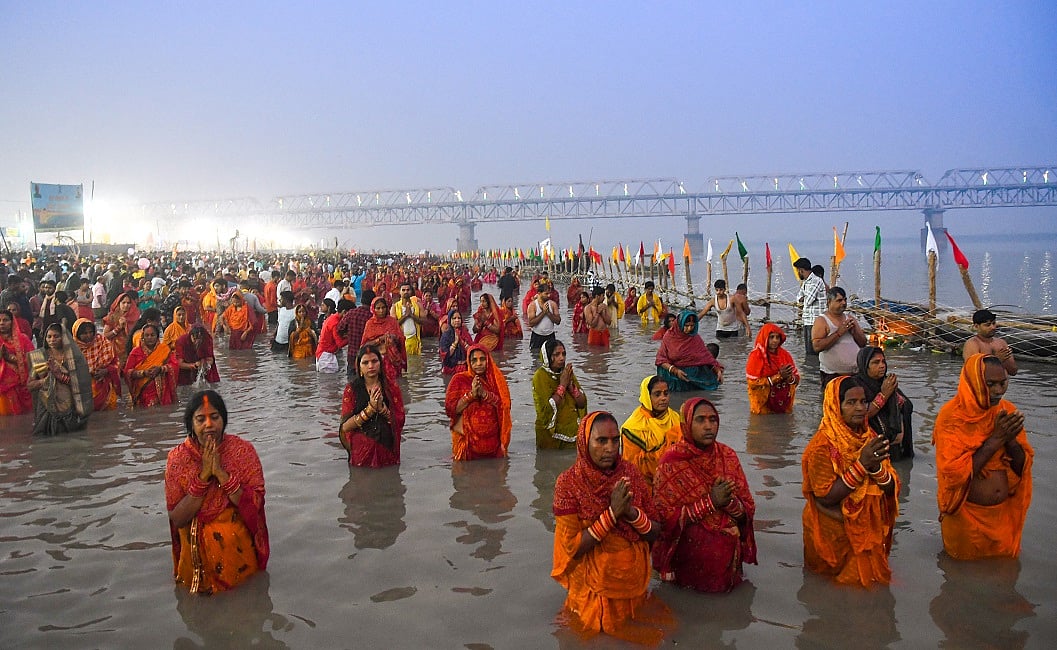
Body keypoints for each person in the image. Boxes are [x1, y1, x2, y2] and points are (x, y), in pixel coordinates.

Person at [551, 411, 668, 645]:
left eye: (615, 440)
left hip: (633, 587)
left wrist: (631, 513)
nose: (610, 448)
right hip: (593, 592)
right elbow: (572, 548)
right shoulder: (569, 483)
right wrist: (613, 514)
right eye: (601, 441)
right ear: (585, 443)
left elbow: (656, 531)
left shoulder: (630, 474)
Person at [165, 390, 269, 595]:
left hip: (239, 561)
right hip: (194, 563)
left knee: (245, 607)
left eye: (214, 417)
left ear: (224, 419)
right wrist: (203, 476)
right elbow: (177, 518)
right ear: (191, 424)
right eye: (200, 419)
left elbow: (255, 505)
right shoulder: (177, 459)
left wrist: (221, 474)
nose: (209, 425)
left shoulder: (243, 451)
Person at [932, 354, 1033, 560]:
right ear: (974, 381)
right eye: (990, 384)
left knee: (1004, 579)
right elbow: (954, 475)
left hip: (1002, 517)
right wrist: (996, 439)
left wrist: (1010, 440)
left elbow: (1022, 466)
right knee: (960, 582)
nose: (998, 391)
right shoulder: (951, 417)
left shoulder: (1006, 411)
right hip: (965, 519)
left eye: (1002, 383)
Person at [652, 397, 757, 592]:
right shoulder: (671, 462)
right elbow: (663, 521)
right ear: (687, 424)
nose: (708, 426)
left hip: (727, 552)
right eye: (700, 420)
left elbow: (748, 510)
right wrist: (711, 502)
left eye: (713, 419)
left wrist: (729, 501)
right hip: (688, 553)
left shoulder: (728, 456)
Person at [802, 377, 898, 587]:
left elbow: (890, 486)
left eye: (863, 401)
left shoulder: (870, 436)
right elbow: (825, 497)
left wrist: (874, 468)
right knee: (829, 594)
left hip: (866, 532)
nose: (860, 408)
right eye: (851, 402)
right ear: (836, 406)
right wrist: (862, 465)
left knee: (870, 600)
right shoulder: (821, 447)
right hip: (833, 535)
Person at [338, 345, 407, 467]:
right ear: (359, 367)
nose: (370, 366)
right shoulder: (351, 390)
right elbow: (345, 427)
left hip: (387, 450)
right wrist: (370, 410)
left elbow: (399, 421)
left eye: (374, 361)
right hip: (361, 453)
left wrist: (383, 410)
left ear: (380, 364)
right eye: (365, 362)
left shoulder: (391, 388)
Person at [445, 345, 511, 461]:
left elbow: (504, 407)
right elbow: (451, 410)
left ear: (488, 360)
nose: (479, 363)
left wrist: (485, 395)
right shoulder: (459, 380)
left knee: (497, 478)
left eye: (482, 359)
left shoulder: (496, 381)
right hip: (467, 447)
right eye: (474, 360)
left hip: (494, 448)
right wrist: (472, 395)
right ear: (469, 362)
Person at [26, 323, 92, 435]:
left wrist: (60, 376)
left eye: (56, 336)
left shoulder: (74, 358)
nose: (52, 340)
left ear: (64, 338)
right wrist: (47, 380)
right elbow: (30, 385)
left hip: (70, 407)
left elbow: (82, 385)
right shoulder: (39, 357)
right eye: (49, 336)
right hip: (46, 408)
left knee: (72, 438)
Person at [620, 376, 683, 492]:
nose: (663, 398)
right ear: (647, 396)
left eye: (666, 393)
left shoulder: (675, 418)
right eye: (657, 394)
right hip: (645, 487)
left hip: (674, 481)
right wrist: (668, 443)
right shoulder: (632, 427)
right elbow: (633, 467)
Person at [855, 346, 914, 460]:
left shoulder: (886, 382)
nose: (882, 365)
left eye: (883, 361)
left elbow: (908, 406)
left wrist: (899, 401)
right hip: (872, 449)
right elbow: (862, 414)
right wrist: (884, 395)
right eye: (876, 362)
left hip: (895, 447)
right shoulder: (856, 386)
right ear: (865, 365)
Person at [532, 339, 587, 449]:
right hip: (551, 437)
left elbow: (582, 404)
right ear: (548, 357)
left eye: (564, 354)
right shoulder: (540, 377)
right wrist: (562, 385)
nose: (562, 358)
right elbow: (546, 410)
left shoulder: (566, 373)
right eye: (557, 354)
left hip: (573, 433)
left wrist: (570, 385)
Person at [811, 287, 866, 389]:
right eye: (839, 300)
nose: (844, 303)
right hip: (832, 375)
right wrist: (839, 333)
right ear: (829, 302)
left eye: (845, 299)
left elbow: (863, 343)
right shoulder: (822, 320)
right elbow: (817, 347)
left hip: (855, 375)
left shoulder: (850, 318)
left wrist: (854, 333)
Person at [655, 310, 723, 391]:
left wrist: (717, 371)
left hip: (693, 379)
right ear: (680, 324)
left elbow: (706, 358)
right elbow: (661, 359)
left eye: (692, 325)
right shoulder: (669, 337)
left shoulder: (695, 338)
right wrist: (675, 371)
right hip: (675, 379)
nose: (690, 329)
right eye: (686, 326)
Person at [745, 323, 800, 414]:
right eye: (771, 337)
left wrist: (789, 378)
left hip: (784, 403)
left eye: (777, 337)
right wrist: (778, 377)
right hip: (762, 405)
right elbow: (752, 383)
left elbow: (796, 379)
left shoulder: (785, 355)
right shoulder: (756, 356)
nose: (775, 340)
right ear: (765, 338)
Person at [72, 318, 122, 411]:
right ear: (77, 334)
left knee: (110, 415)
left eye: (91, 332)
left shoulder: (102, 341)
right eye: (84, 333)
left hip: (104, 385)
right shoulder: (72, 349)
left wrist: (106, 370)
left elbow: (116, 362)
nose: (89, 335)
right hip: (83, 390)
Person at [124, 323, 178, 407]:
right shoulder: (135, 352)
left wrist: (161, 369)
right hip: (142, 393)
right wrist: (143, 373)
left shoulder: (164, 349)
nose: (150, 338)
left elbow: (174, 366)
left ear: (157, 336)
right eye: (147, 335)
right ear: (142, 336)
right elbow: (127, 372)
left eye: (152, 335)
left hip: (163, 391)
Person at [962, 309, 1017, 376]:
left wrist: (1004, 360)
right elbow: (972, 372)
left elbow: (1013, 371)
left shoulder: (1001, 343)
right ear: (976, 326)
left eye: (994, 323)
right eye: (988, 325)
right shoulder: (973, 343)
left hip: (999, 384)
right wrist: (996, 360)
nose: (993, 327)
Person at [360, 296, 405, 379]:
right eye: (378, 308)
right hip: (377, 360)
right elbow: (364, 345)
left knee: (395, 385)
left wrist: (394, 338)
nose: (381, 311)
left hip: (393, 360)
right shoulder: (370, 324)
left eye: (383, 307)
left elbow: (401, 339)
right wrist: (381, 339)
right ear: (373, 309)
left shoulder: (392, 321)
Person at [0, 310, 33, 416]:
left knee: (22, 419)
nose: (1, 323)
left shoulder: (23, 339)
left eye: (5, 320)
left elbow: (33, 360)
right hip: (3, 387)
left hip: (22, 385)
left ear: (12, 322)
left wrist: (11, 358)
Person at [795, 257, 827, 358]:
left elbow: (808, 301)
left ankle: (814, 372)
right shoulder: (806, 282)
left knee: (814, 352)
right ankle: (811, 371)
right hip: (807, 320)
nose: (797, 273)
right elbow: (798, 298)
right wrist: (803, 298)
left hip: (815, 321)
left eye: (798, 271)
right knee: (809, 351)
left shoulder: (815, 281)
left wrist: (803, 298)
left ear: (801, 270)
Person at [103, 292, 137, 370]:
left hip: (129, 349)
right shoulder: (112, 317)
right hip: (115, 351)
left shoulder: (134, 316)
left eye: (128, 303)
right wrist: (118, 328)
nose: (126, 305)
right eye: (123, 302)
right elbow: (105, 336)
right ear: (118, 303)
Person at [391, 282, 424, 355]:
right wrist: (406, 315)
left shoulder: (418, 305)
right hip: (401, 342)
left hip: (415, 341)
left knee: (415, 364)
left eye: (408, 290)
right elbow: (393, 325)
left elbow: (424, 321)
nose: (406, 291)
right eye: (403, 290)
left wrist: (412, 315)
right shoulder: (395, 307)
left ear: (411, 291)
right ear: (399, 292)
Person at [526, 282, 560, 349]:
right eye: (546, 294)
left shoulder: (553, 304)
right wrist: (543, 313)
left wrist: (548, 313)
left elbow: (558, 321)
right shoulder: (532, 305)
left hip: (550, 336)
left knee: (551, 357)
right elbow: (531, 323)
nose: (549, 295)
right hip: (537, 336)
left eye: (549, 293)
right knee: (536, 357)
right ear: (539, 293)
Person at [438, 309, 474, 375]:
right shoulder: (446, 336)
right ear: (449, 320)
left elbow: (472, 351)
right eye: (454, 318)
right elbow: (444, 356)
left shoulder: (466, 334)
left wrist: (463, 343)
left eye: (459, 318)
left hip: (466, 368)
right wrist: (455, 343)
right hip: (451, 369)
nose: (457, 320)